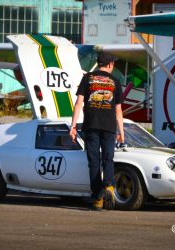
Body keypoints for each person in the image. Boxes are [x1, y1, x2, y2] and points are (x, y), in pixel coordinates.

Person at [69, 52, 124, 210]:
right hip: (109, 127)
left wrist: (73, 126)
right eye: (113, 63)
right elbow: (118, 111)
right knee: (108, 159)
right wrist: (121, 132)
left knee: (93, 162)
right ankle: (109, 186)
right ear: (109, 64)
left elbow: (78, 103)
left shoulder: (87, 78)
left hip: (91, 126)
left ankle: (98, 198)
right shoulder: (115, 81)